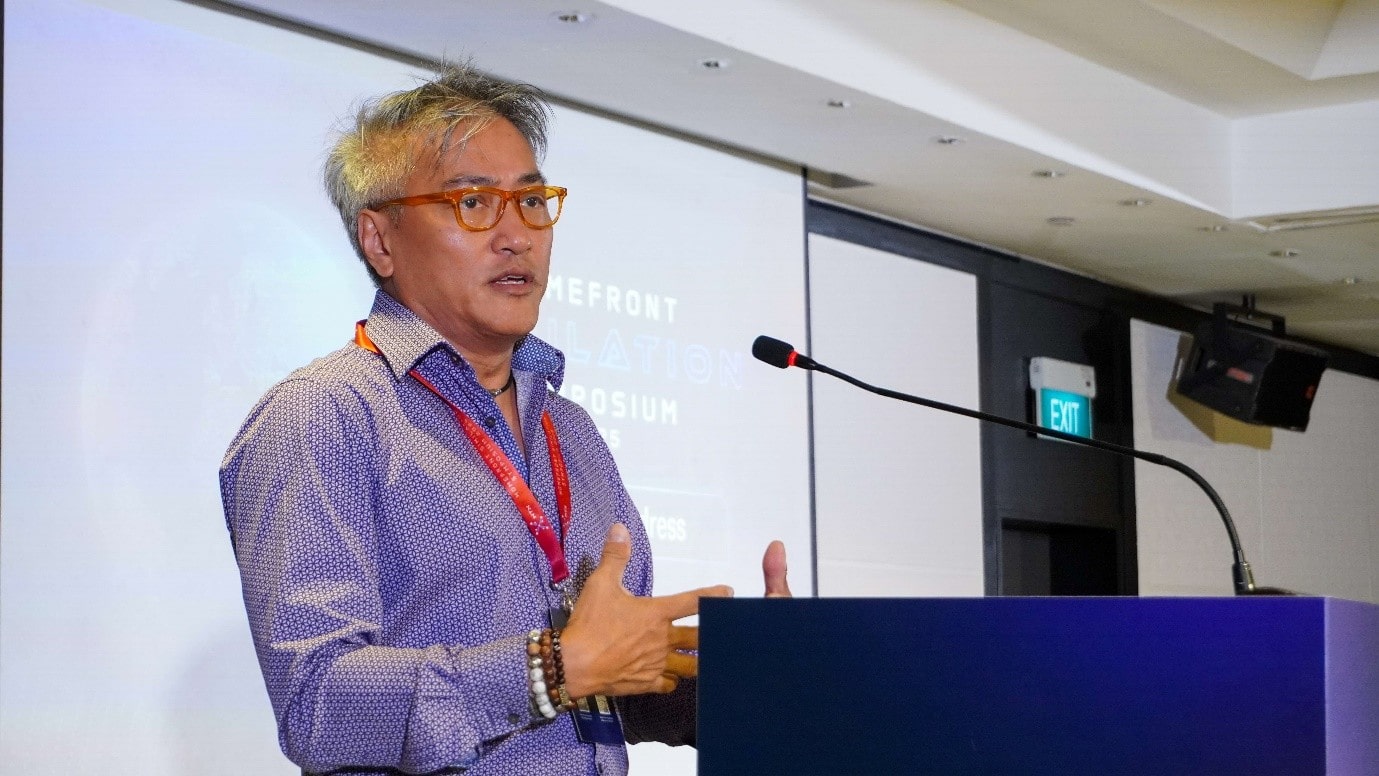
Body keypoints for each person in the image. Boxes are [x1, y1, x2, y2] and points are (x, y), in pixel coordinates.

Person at [219, 63, 792, 776]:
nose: (517, 235)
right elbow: (318, 706)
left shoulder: (572, 431)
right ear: (380, 240)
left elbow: (613, 684)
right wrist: (548, 669)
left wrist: (757, 683)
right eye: (472, 203)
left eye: (532, 203)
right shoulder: (324, 414)